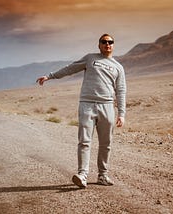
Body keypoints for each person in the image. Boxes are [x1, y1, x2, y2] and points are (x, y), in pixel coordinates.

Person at [36, 34, 126, 188]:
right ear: (99, 45)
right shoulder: (91, 59)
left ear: (113, 45)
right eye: (104, 42)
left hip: (107, 107)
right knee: (84, 142)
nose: (107, 44)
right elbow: (70, 68)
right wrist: (50, 76)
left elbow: (121, 90)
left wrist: (122, 114)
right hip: (87, 105)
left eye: (110, 42)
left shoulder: (118, 67)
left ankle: (103, 176)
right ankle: (82, 175)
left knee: (106, 143)